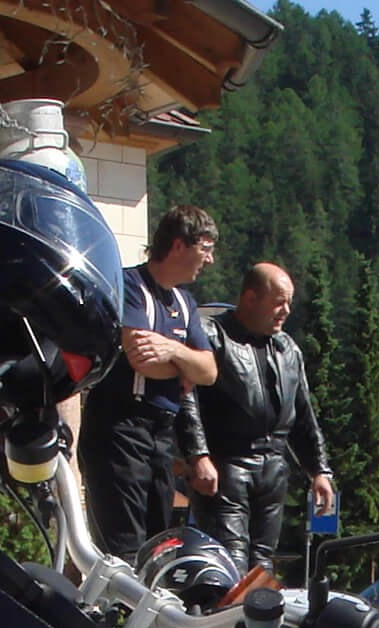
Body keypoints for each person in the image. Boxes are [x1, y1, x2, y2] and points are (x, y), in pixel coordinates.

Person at [78, 205, 218, 561]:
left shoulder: (185, 304)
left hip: (161, 434)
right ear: (177, 246)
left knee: (159, 547)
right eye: (205, 248)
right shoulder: (129, 285)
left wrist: (172, 350)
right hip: (119, 428)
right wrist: (185, 366)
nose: (211, 260)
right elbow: (142, 360)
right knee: (123, 549)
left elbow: (210, 371)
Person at [179, 262, 336, 573]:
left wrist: (319, 470)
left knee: (262, 565)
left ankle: (251, 621)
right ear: (250, 298)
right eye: (279, 301)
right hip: (227, 465)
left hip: (274, 470)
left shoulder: (287, 348)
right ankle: (222, 619)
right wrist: (198, 455)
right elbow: (187, 398)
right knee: (230, 561)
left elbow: (304, 415)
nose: (286, 310)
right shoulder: (212, 336)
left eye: (289, 302)